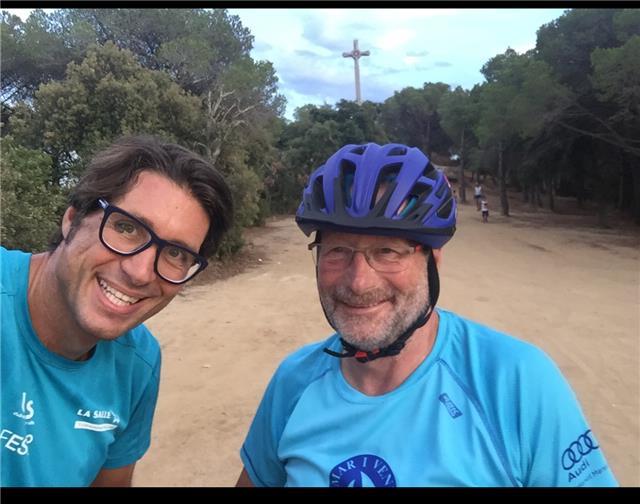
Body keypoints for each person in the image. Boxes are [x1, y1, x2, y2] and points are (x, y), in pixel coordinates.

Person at [236, 142, 617, 487]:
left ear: (433, 261)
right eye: (337, 250)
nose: (358, 281)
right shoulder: (294, 381)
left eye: (388, 251)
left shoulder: (516, 381)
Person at [1, 135, 233, 487]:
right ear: (73, 218)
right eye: (126, 227)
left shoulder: (138, 363)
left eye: (175, 254)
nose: (140, 272)